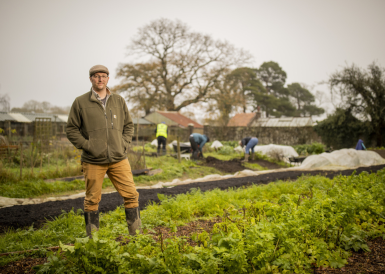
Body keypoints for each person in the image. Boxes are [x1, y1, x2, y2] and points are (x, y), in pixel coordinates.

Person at [66, 65, 141, 238]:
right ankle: (94, 240)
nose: (100, 79)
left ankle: (137, 237)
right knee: (92, 199)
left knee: (131, 195)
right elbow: (71, 130)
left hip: (118, 158)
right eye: (96, 76)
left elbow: (129, 126)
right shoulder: (80, 102)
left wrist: (123, 144)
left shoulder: (118, 100)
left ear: (108, 79)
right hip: (93, 160)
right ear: (91, 79)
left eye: (103, 76)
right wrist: (88, 146)